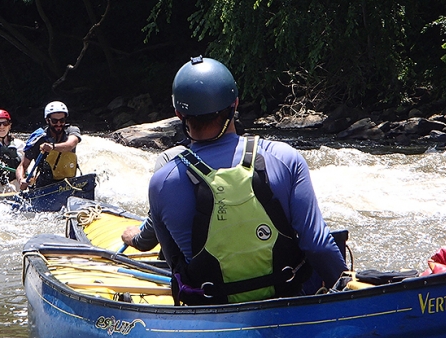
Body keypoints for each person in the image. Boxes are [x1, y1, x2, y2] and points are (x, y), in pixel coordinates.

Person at [148, 56, 347, 305]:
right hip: (291, 299)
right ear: (235, 104)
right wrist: (346, 291)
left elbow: (173, 260)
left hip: (216, 312)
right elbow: (317, 245)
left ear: (179, 114)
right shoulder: (284, 158)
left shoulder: (161, 183)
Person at [16, 101, 82, 190]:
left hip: (69, 183)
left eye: (61, 120)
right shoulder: (38, 138)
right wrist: (21, 180)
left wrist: (53, 147)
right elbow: (22, 166)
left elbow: (70, 145)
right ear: (47, 120)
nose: (59, 124)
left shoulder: (72, 131)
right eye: (55, 121)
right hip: (45, 186)